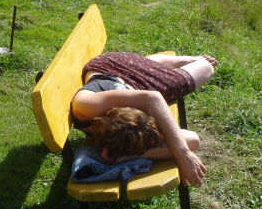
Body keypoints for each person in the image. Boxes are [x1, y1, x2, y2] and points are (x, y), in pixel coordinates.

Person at [71, 52, 218, 187]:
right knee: (202, 70)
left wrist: (183, 154)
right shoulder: (127, 132)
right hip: (138, 84)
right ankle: (158, 64)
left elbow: (152, 98)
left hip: (107, 65)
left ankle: (187, 59)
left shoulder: (86, 107)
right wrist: (139, 154)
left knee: (206, 66)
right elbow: (193, 139)